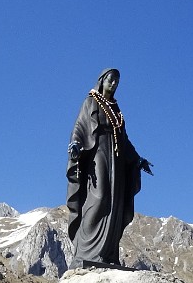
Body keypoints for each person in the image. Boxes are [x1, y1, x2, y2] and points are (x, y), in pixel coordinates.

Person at [65, 68, 151, 268]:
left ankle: (108, 252)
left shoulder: (116, 110)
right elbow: (79, 127)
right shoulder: (91, 102)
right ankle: (86, 249)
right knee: (100, 196)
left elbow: (124, 139)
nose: (114, 84)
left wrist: (137, 159)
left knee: (115, 202)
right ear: (102, 80)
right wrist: (76, 144)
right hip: (98, 152)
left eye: (117, 81)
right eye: (111, 80)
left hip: (118, 158)